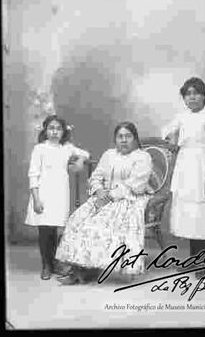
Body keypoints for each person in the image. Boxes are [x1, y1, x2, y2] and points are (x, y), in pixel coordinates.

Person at [55, 121, 153, 285]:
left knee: (102, 223)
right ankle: (82, 269)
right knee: (78, 219)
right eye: (120, 136)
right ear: (115, 139)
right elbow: (96, 176)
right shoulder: (109, 155)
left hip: (129, 199)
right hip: (103, 196)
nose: (123, 140)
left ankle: (82, 272)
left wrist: (109, 197)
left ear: (135, 138)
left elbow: (136, 184)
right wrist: (98, 190)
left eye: (128, 136)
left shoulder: (143, 157)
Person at [161, 77, 205, 279]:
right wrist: (172, 136)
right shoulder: (183, 116)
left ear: (204, 95)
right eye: (188, 93)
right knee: (191, 218)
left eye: (196, 92)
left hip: (203, 168)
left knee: (203, 216)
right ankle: (193, 261)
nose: (192, 97)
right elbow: (166, 130)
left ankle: (201, 264)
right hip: (185, 170)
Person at [25, 115, 90, 280]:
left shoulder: (67, 148)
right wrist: (36, 198)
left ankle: (53, 263)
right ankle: (46, 264)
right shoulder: (39, 148)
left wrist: (80, 160)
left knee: (53, 229)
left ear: (63, 131)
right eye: (51, 128)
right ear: (45, 130)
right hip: (43, 193)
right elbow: (33, 174)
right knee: (44, 230)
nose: (54, 132)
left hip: (59, 194)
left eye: (58, 128)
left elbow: (86, 154)